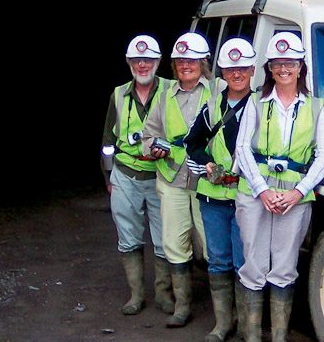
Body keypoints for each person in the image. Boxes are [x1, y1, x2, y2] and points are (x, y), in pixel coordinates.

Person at [234, 32, 324, 342]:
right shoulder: (255, 102)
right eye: (277, 64)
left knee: (286, 266)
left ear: (300, 67)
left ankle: (278, 336)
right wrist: (262, 190)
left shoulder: (315, 107)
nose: (284, 69)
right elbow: (242, 149)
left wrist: (298, 191)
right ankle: (251, 336)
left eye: (290, 63)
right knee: (254, 264)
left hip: (295, 197)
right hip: (255, 195)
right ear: (270, 68)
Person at [183, 38, 256, 342]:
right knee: (218, 260)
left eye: (242, 68)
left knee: (244, 262)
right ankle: (223, 323)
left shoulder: (263, 106)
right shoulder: (212, 106)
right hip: (213, 197)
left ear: (252, 69)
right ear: (221, 72)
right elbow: (192, 144)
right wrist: (207, 165)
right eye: (230, 68)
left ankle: (246, 326)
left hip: (246, 199)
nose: (236, 73)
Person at [100, 35, 174, 316]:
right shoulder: (118, 94)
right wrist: (109, 178)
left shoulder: (172, 90)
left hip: (161, 175)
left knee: (165, 238)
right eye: (136, 60)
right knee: (128, 238)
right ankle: (136, 295)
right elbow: (108, 140)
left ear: (158, 62)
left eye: (148, 60)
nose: (142, 65)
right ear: (128, 63)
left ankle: (164, 295)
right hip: (125, 174)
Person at [142, 32, 211, 327]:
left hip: (208, 182)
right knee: (173, 241)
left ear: (203, 62)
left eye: (192, 60)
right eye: (181, 60)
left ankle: (225, 310)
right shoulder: (163, 96)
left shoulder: (217, 91)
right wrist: (152, 148)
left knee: (212, 245)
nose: (186, 65)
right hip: (172, 180)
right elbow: (147, 136)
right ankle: (183, 306)